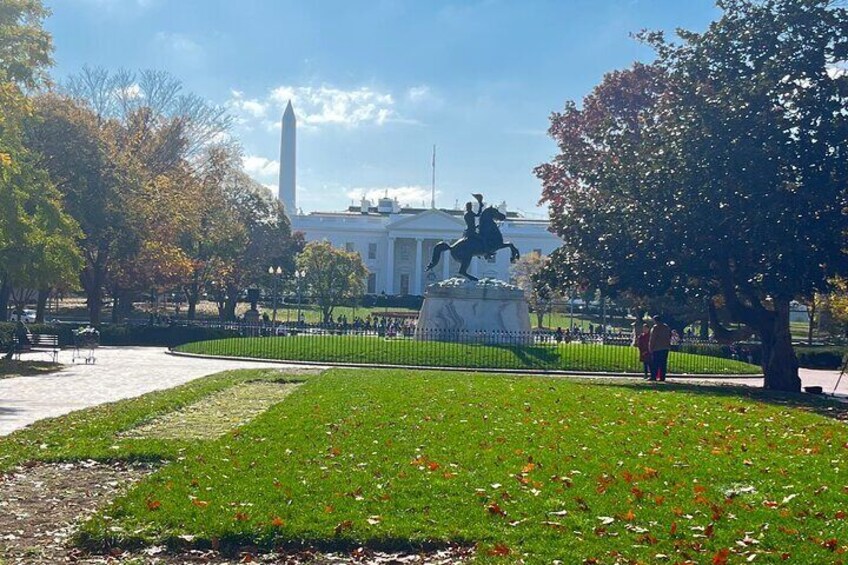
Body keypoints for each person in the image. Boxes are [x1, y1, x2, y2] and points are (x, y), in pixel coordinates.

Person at [648, 315, 672, 381]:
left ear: (655, 320)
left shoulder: (655, 328)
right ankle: (662, 377)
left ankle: (653, 376)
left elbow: (653, 338)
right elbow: (670, 335)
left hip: (657, 347)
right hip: (665, 347)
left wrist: (650, 347)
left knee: (655, 363)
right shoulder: (666, 327)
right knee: (663, 363)